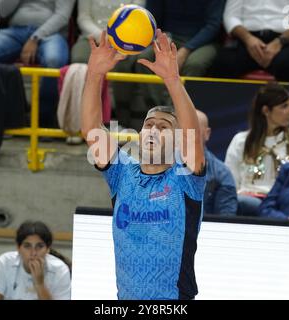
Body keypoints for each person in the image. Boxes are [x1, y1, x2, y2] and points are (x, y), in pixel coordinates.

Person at [81, 30, 206, 300]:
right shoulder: (121, 172)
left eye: (163, 127)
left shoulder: (184, 177)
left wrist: (172, 79)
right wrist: (94, 73)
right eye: (148, 125)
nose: (152, 131)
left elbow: (192, 136)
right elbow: (91, 129)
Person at [114, 0, 226, 129]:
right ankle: (158, 114)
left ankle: (177, 118)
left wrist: (187, 49)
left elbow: (213, 25)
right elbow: (152, 19)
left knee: (195, 64)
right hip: (169, 37)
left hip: (204, 42)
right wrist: (158, 38)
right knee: (145, 58)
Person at [0, 0, 76, 128]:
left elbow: (62, 16)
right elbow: (2, 11)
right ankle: (0, 114)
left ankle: (44, 118)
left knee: (54, 60)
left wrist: (35, 37)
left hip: (50, 33)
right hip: (15, 31)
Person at [224, 83, 289, 216]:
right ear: (266, 110)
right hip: (247, 201)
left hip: (282, 203)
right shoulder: (241, 141)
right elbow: (230, 181)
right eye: (284, 106)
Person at [210, 0, 289, 81]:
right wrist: (248, 39)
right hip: (247, 37)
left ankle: (284, 106)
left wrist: (279, 42)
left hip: (285, 39)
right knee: (223, 63)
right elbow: (230, 16)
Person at [0, 220, 71, 300]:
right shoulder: (5, 262)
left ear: (48, 249)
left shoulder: (60, 270)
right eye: (27, 246)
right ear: (18, 248)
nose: (33, 253)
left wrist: (40, 284)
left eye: (39, 246)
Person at [70, 0, 145, 63]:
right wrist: (102, 36)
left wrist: (118, 39)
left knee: (122, 63)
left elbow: (137, 17)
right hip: (91, 36)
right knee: (79, 59)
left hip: (125, 38)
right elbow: (83, 19)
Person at [196, 109, 237, 215]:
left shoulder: (222, 174)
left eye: (193, 128)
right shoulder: (161, 167)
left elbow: (226, 221)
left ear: (207, 133)